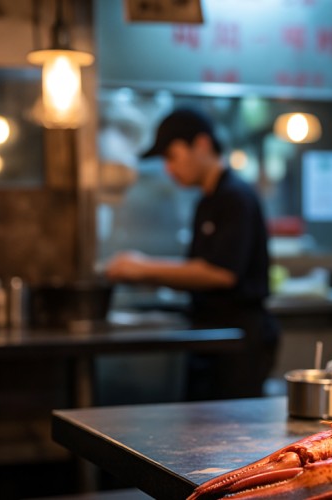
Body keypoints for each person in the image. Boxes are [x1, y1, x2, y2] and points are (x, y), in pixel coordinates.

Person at [106, 107, 279, 400]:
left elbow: (221, 273)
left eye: (171, 157)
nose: (167, 169)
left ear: (201, 144)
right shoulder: (206, 201)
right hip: (210, 334)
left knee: (230, 438)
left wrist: (143, 268)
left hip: (238, 338)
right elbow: (198, 268)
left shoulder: (236, 196)